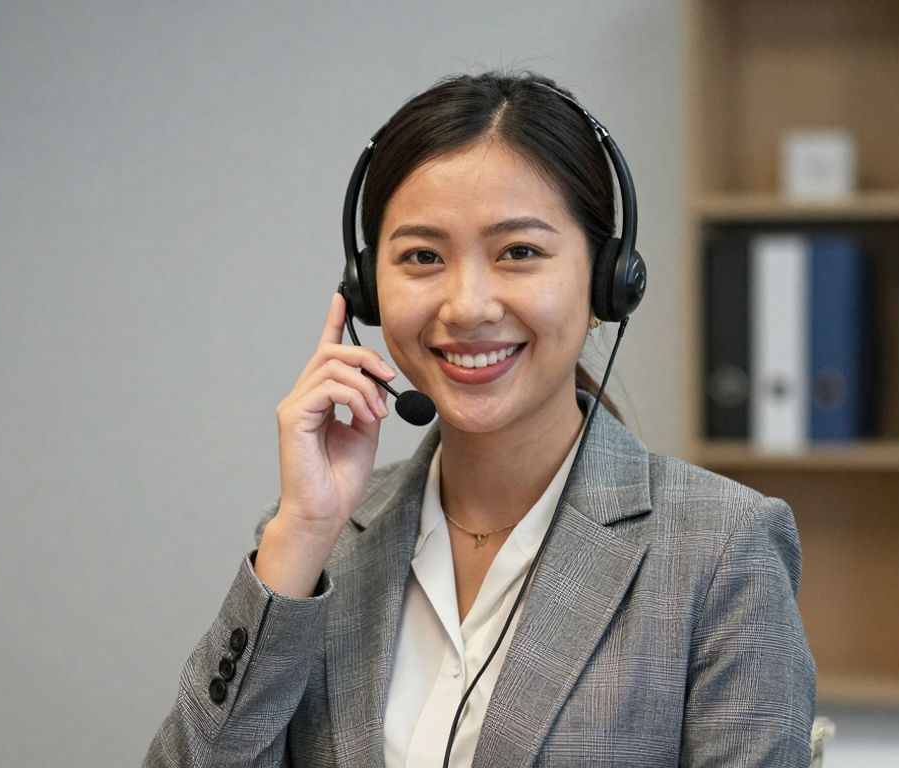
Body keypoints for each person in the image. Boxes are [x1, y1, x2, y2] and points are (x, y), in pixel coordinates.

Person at [145, 71, 815, 767]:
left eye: (519, 252)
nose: (467, 306)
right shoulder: (317, 544)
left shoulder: (722, 551)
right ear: (368, 290)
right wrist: (302, 532)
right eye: (423, 257)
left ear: (608, 282)